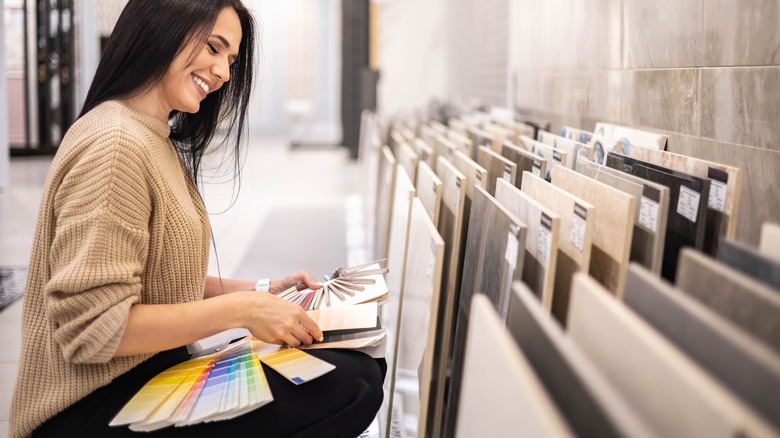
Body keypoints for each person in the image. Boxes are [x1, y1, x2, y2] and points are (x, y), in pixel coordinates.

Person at [9, 1, 385, 437]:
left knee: (358, 359)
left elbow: (159, 279)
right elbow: (94, 330)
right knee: (349, 382)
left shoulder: (147, 134)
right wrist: (242, 310)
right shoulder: (114, 145)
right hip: (88, 409)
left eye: (230, 60)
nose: (223, 73)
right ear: (159, 30)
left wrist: (265, 292)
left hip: (140, 380)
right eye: (213, 47)